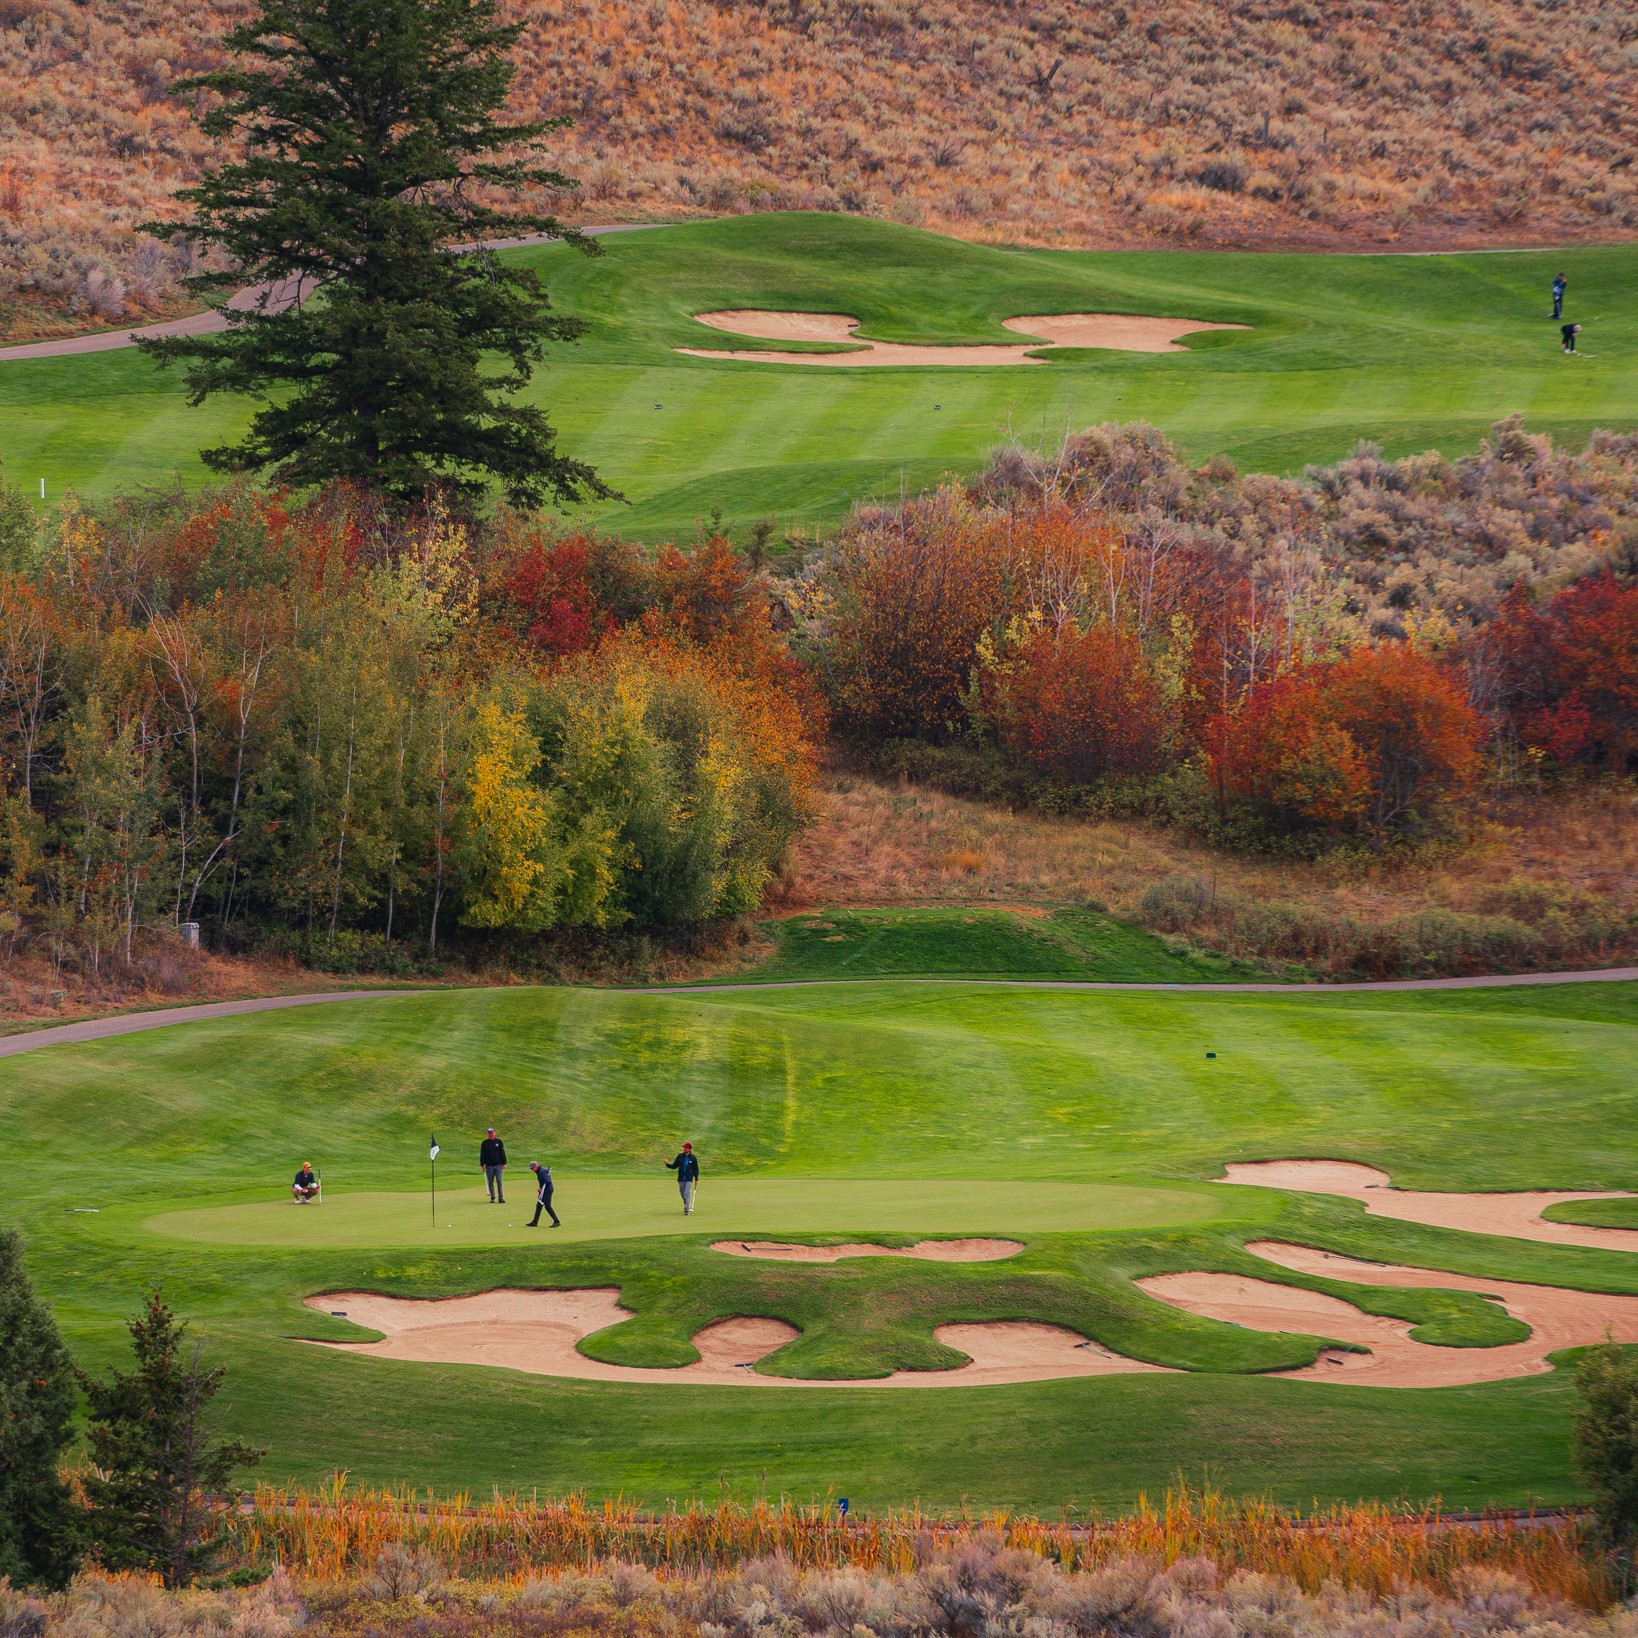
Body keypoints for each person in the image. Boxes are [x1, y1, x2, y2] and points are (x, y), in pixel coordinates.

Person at [665, 1142, 700, 1215]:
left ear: (689, 1149)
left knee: (687, 1193)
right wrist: (667, 1164)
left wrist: (696, 1178)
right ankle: (687, 1203)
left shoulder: (693, 1158)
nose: (684, 1149)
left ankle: (686, 1210)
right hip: (681, 1179)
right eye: (684, 1147)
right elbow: (674, 1166)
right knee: (682, 1193)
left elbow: (695, 1169)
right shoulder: (680, 1156)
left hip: (689, 1179)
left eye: (685, 1148)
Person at [526, 1160, 560, 1227]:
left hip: (547, 1190)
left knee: (547, 1206)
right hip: (545, 1190)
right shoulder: (539, 1171)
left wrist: (541, 1189)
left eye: (532, 1168)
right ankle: (535, 1222)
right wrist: (541, 1189)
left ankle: (556, 1221)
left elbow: (547, 1181)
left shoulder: (542, 1171)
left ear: (536, 1166)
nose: (532, 1170)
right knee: (539, 1205)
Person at [479, 1127, 507, 1203]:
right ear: (488, 1134)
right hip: (489, 1166)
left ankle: (501, 1198)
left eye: (492, 1133)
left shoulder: (499, 1142)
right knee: (490, 1182)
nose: (491, 1134)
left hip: (498, 1165)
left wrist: (504, 1163)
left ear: (494, 1133)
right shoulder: (484, 1143)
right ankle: (492, 1198)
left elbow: (502, 1153)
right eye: (489, 1133)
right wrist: (482, 1164)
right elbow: (482, 1154)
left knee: (499, 1181)